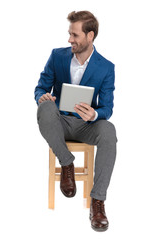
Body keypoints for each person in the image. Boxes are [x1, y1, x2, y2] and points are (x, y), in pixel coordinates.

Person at [34, 10, 117, 232]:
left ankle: (97, 203)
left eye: (75, 35)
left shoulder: (106, 67)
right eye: (69, 33)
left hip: (86, 126)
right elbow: (41, 87)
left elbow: (107, 107)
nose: (70, 39)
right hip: (57, 122)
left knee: (109, 130)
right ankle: (67, 163)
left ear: (90, 36)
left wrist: (95, 114)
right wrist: (43, 97)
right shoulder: (57, 56)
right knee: (45, 107)